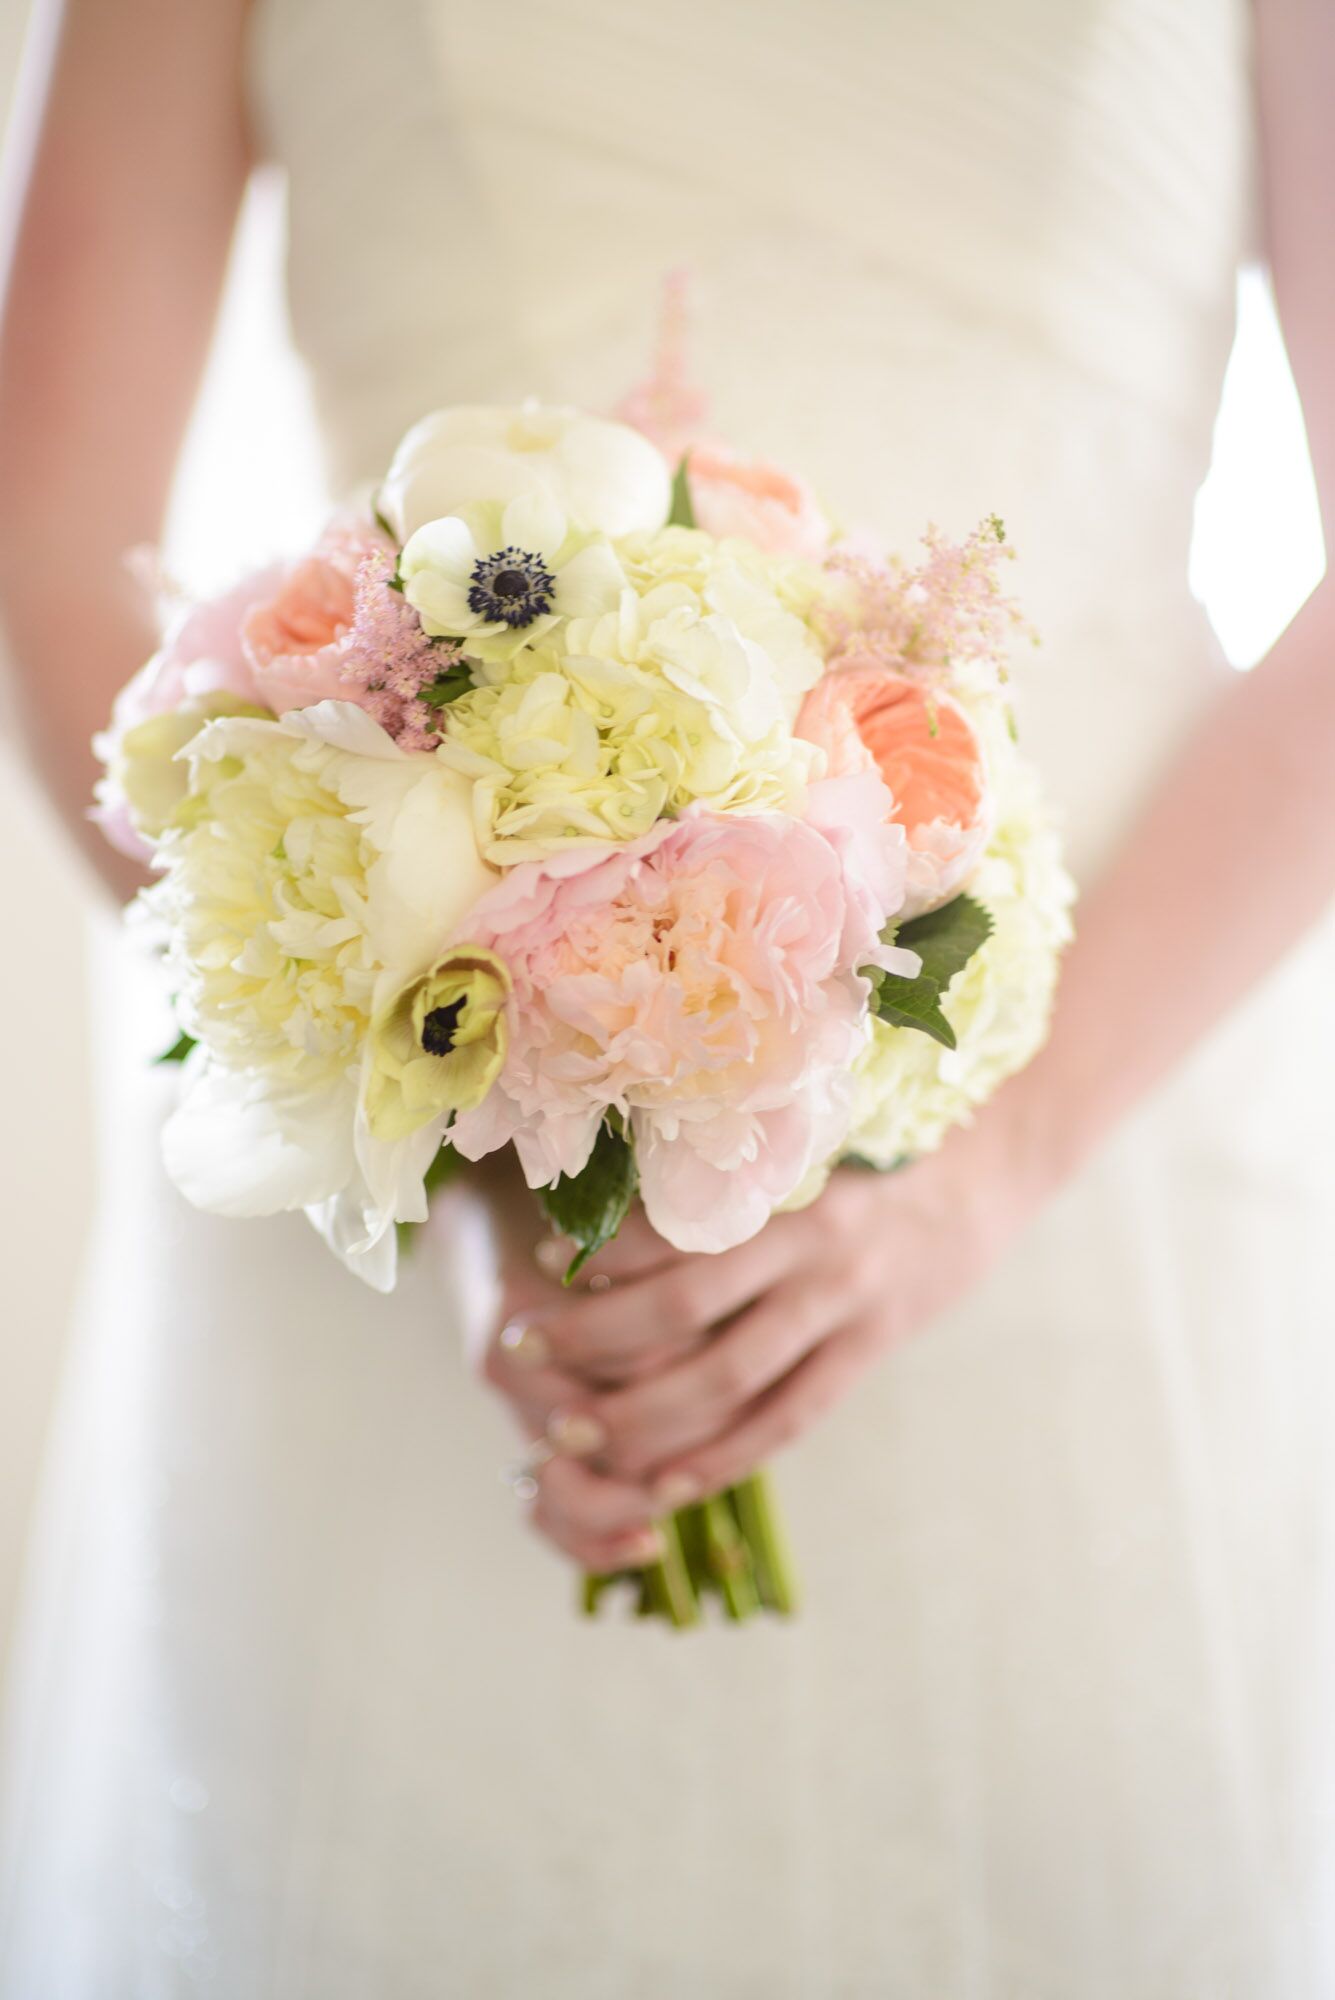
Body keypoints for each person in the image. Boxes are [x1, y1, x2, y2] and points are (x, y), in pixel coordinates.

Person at [2, 0, 1333, 1992]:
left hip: (1096, 1130)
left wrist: (988, 1170)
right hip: (405, 1205)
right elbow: (47, 515)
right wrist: (439, 1087)